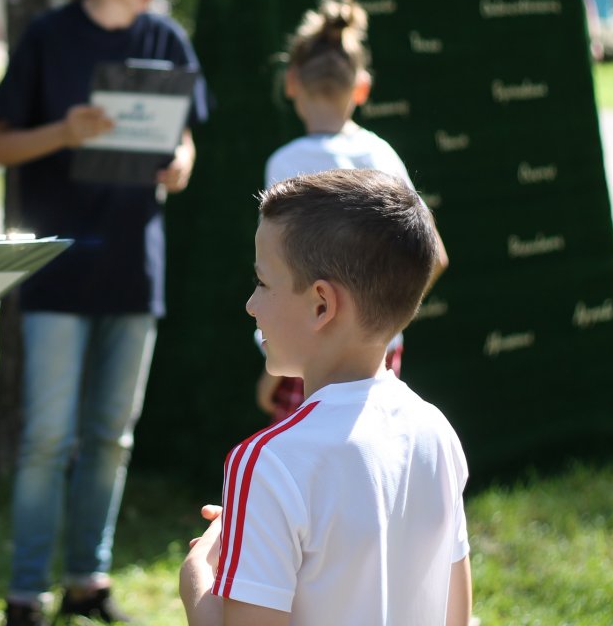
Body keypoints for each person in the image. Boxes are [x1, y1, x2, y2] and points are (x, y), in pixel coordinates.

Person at [0, 0, 209, 625]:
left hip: (135, 266)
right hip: (56, 266)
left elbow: (188, 138)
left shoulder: (166, 38)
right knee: (50, 438)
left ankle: (89, 579)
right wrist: (63, 132)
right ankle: (26, 593)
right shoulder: (51, 36)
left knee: (112, 437)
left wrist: (180, 161)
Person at [179, 168, 472, 626]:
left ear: (321, 304)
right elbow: (457, 614)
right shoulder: (436, 430)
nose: (251, 304)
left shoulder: (266, 463)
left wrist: (198, 578)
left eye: (262, 283)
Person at [255, 0, 448, 425]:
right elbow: (435, 255)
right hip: (378, 356)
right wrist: (384, 327)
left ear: (291, 82)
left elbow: (281, 275)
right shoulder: (383, 155)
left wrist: (270, 363)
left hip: (304, 356)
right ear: (362, 87)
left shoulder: (285, 164)